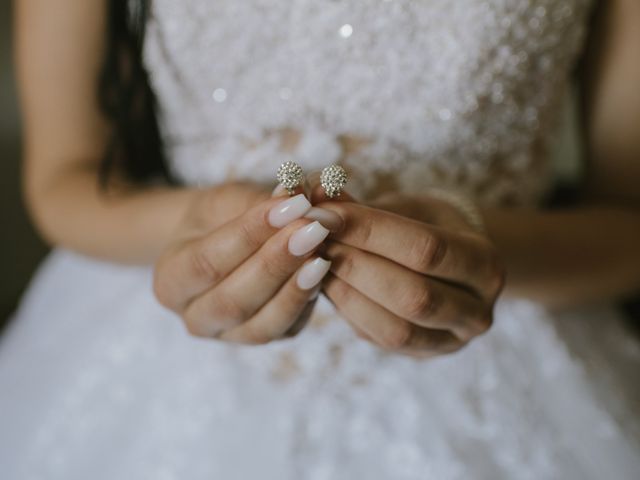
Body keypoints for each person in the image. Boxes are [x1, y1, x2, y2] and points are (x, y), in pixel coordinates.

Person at [1, 0, 639, 478]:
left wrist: (479, 245)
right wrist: (201, 223)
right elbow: (65, 177)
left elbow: (627, 224)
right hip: (152, 354)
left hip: (508, 359)